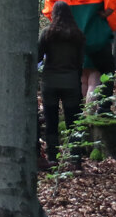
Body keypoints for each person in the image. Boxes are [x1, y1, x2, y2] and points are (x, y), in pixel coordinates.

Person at [37, 16, 89, 171]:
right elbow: (81, 60)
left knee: (51, 120)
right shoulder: (77, 34)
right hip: (71, 82)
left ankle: (52, 157)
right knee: (73, 121)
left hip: (50, 82)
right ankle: (75, 159)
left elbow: (38, 56)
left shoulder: (47, 33)